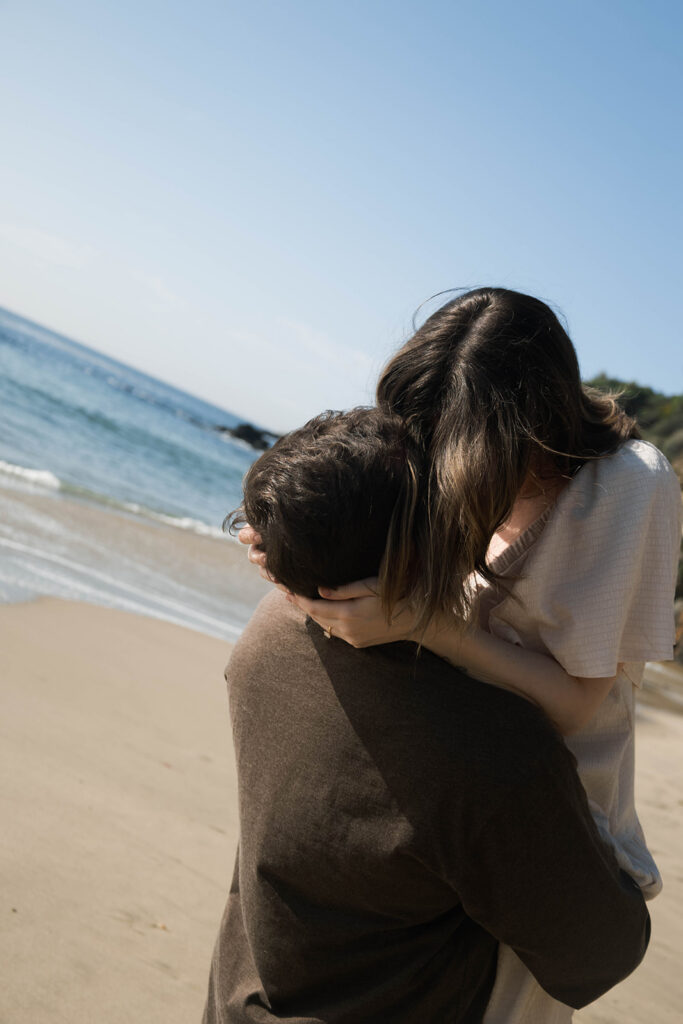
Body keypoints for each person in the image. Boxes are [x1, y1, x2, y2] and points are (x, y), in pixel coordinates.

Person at [243, 289, 681, 1023]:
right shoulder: (447, 448)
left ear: (526, 424)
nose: (439, 455)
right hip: (438, 785)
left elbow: (577, 707)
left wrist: (431, 626)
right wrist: (287, 547)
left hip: (539, 816)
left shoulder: (624, 485)